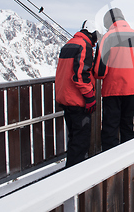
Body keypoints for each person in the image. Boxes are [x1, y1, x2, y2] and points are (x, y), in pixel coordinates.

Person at [94, 8, 134, 151]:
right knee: (128, 127)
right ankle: (128, 164)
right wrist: (133, 74)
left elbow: (99, 71)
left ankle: (110, 166)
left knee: (110, 129)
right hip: (133, 89)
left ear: (108, 22)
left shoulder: (107, 38)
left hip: (113, 90)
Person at [55, 20, 99, 168]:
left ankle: (71, 170)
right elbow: (80, 75)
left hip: (65, 98)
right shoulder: (84, 46)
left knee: (73, 137)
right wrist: (90, 97)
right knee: (81, 140)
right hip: (77, 100)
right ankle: (75, 177)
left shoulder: (69, 44)